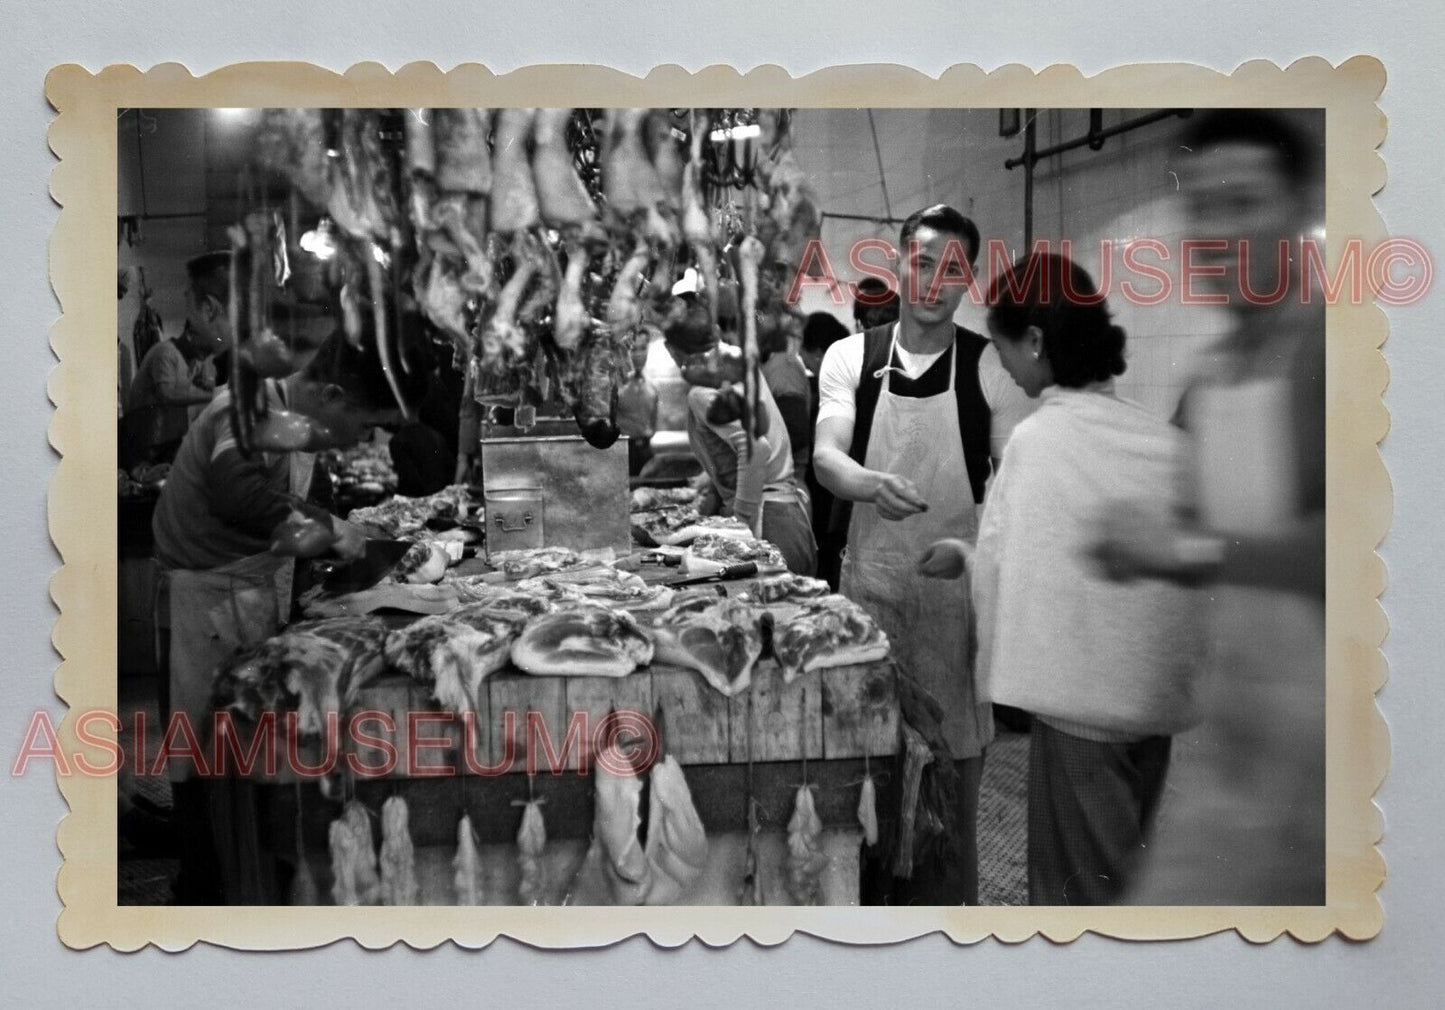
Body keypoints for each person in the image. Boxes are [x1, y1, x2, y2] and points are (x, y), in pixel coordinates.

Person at [1092, 110, 1326, 905]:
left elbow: (1371, 548)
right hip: (1240, 740)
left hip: (1349, 752)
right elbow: (1197, 531)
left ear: (1298, 207)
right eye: (1200, 209)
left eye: (1243, 203)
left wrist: (1180, 551)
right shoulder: (1213, 376)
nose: (1218, 233)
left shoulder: (1342, 350)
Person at [920, 253, 1203, 905]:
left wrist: (971, 563)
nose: (1005, 368)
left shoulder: (1040, 439)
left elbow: (1010, 555)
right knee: (1127, 869)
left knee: (1077, 896)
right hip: (1151, 706)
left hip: (1081, 714)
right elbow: (1060, 548)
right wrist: (967, 555)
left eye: (1003, 349)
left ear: (1037, 342)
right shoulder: (1152, 436)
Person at [152, 317, 416, 902]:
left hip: (243, 591)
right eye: (365, 425)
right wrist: (325, 531)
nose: (361, 441)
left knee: (239, 747)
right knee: (204, 754)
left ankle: (246, 878)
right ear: (331, 396)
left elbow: (275, 497)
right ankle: (207, 896)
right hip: (207, 602)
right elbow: (236, 490)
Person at [812, 204, 1031, 903]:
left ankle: (955, 936)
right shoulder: (853, 357)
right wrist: (867, 484)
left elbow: (1017, 484)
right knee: (863, 792)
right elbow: (824, 457)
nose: (933, 280)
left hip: (952, 608)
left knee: (952, 792)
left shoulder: (989, 368)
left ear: (969, 281)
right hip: (868, 601)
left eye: (952, 268)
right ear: (898, 262)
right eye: (921, 260)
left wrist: (972, 551)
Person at [662, 328, 817, 576]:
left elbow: (755, 449)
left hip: (767, 525)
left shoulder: (702, 389)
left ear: (670, 348)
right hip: (790, 518)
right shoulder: (739, 364)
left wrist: (739, 527)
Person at [123, 252, 230, 464]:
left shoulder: (193, 361)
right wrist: (213, 396)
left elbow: (203, 384)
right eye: (204, 348)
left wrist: (214, 388)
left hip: (166, 440)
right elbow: (168, 394)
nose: (206, 354)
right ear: (192, 333)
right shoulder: (165, 352)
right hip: (144, 439)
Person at [799, 312, 851, 587]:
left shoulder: (836, 384)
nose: (806, 366)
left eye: (805, 357)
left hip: (832, 497)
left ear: (818, 353)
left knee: (832, 573)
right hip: (833, 493)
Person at [760, 321, 812, 484]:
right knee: (797, 480)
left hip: (786, 428)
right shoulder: (795, 364)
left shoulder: (773, 366)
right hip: (801, 432)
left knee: (783, 482)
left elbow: (765, 405)